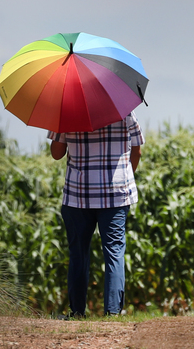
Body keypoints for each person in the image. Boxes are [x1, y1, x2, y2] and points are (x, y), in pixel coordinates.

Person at [48, 112, 144, 317]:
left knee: (78, 253)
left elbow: (56, 154)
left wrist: (57, 125)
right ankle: (113, 312)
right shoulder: (124, 111)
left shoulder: (67, 110)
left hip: (78, 195)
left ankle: (77, 312)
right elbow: (137, 152)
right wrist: (124, 177)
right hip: (116, 194)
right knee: (114, 251)